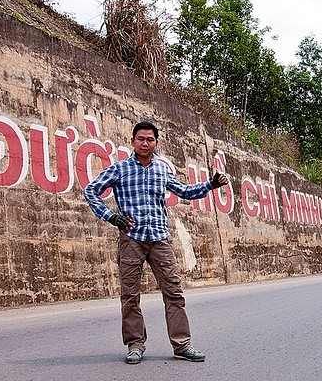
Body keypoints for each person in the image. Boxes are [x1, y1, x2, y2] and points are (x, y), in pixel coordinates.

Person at [84, 121, 228, 364]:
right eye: (140, 139)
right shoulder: (119, 169)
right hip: (132, 239)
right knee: (130, 296)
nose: (145, 143)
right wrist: (112, 217)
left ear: (156, 143)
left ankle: (182, 345)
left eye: (150, 139)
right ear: (132, 141)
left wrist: (210, 185)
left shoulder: (162, 170)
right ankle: (135, 345)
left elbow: (184, 191)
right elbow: (91, 190)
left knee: (174, 293)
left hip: (160, 240)